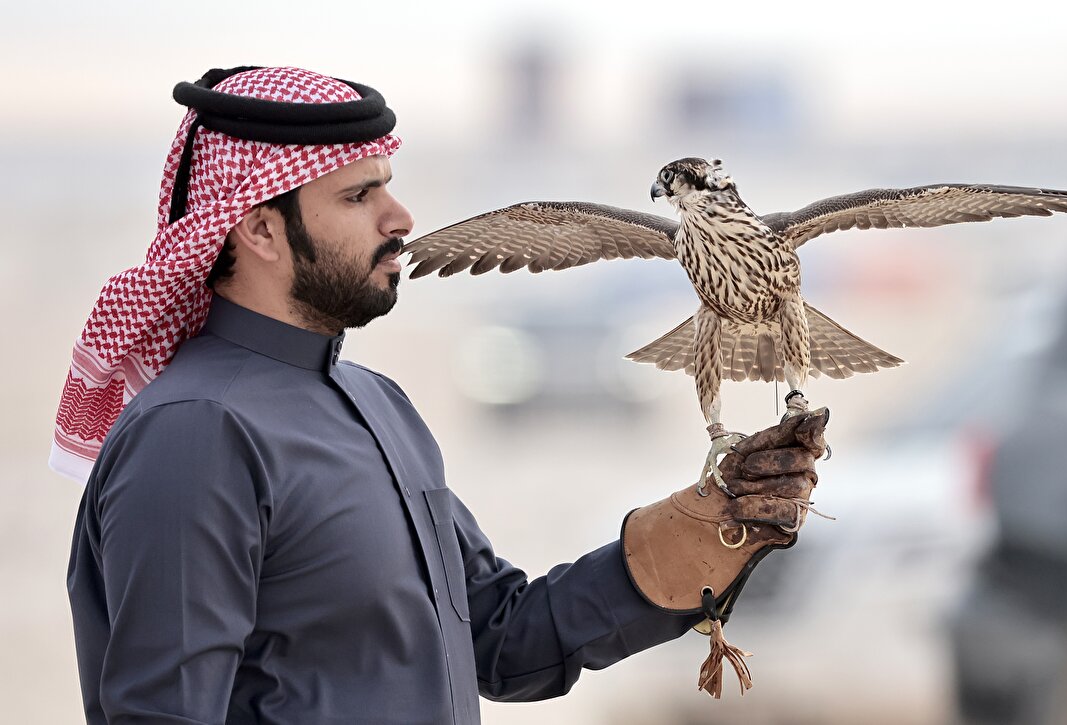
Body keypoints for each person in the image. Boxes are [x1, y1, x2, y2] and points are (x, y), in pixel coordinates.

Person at [57, 66, 830, 724]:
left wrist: (704, 528)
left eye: (387, 189)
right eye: (360, 197)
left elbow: (500, 639)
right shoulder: (199, 432)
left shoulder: (378, 406)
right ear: (260, 229)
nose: (401, 219)